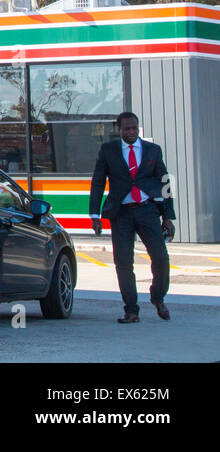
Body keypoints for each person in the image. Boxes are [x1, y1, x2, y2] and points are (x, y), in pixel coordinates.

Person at [88, 112, 175, 323]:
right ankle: (131, 310)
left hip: (147, 210)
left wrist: (168, 216)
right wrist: (94, 214)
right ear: (119, 130)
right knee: (124, 263)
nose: (131, 132)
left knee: (161, 258)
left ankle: (158, 297)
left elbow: (164, 182)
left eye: (134, 128)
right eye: (126, 129)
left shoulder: (153, 150)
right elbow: (98, 181)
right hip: (121, 213)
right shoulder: (108, 150)